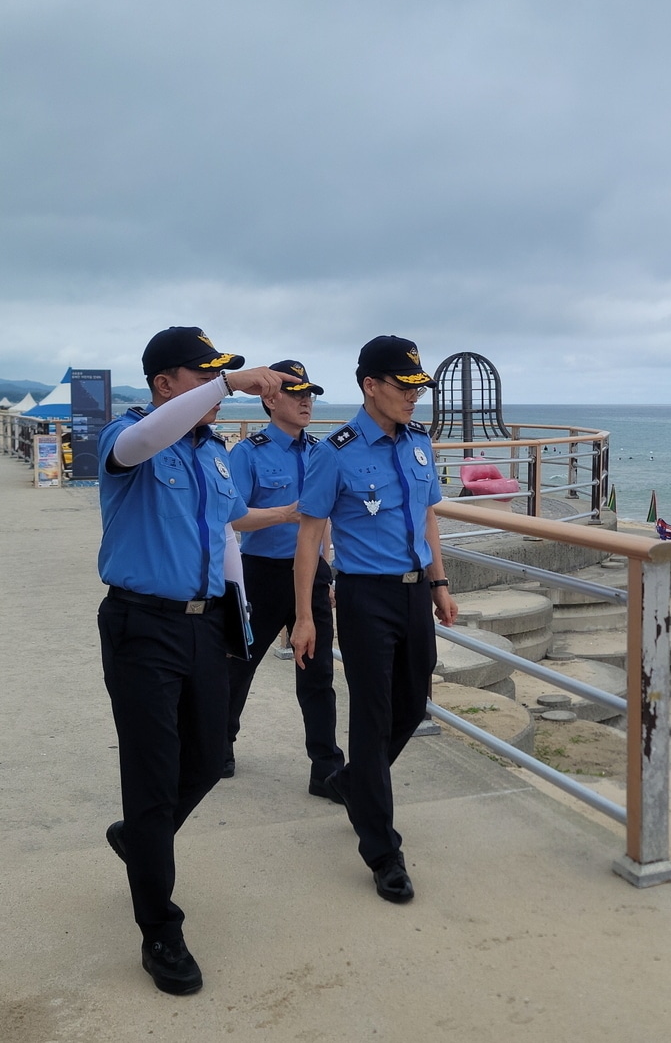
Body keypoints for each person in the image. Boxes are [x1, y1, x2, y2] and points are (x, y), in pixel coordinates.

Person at [96, 326, 295, 995]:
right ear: (164, 383)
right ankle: (161, 931)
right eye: (203, 377)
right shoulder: (130, 440)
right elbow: (142, 442)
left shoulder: (212, 453)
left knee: (209, 759)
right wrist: (232, 383)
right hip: (141, 626)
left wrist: (298, 510)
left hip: (204, 626)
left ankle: (139, 839)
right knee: (152, 781)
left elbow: (231, 525)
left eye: (220, 377)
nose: (216, 390)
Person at [290, 335, 457, 904]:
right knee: (373, 713)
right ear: (370, 386)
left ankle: (352, 781)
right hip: (363, 597)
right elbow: (310, 535)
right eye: (404, 386)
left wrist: (439, 583)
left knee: (412, 705)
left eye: (418, 387)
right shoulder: (333, 450)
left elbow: (427, 517)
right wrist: (304, 617)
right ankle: (383, 850)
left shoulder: (418, 444)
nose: (415, 397)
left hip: (414, 596)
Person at [223, 359, 344, 796]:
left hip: (309, 573)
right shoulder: (247, 453)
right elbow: (233, 519)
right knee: (240, 665)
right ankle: (221, 743)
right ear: (270, 399)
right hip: (263, 574)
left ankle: (326, 768)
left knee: (318, 674)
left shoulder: (320, 452)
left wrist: (326, 569)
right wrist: (287, 513)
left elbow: (325, 520)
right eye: (296, 393)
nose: (306, 401)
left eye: (310, 394)